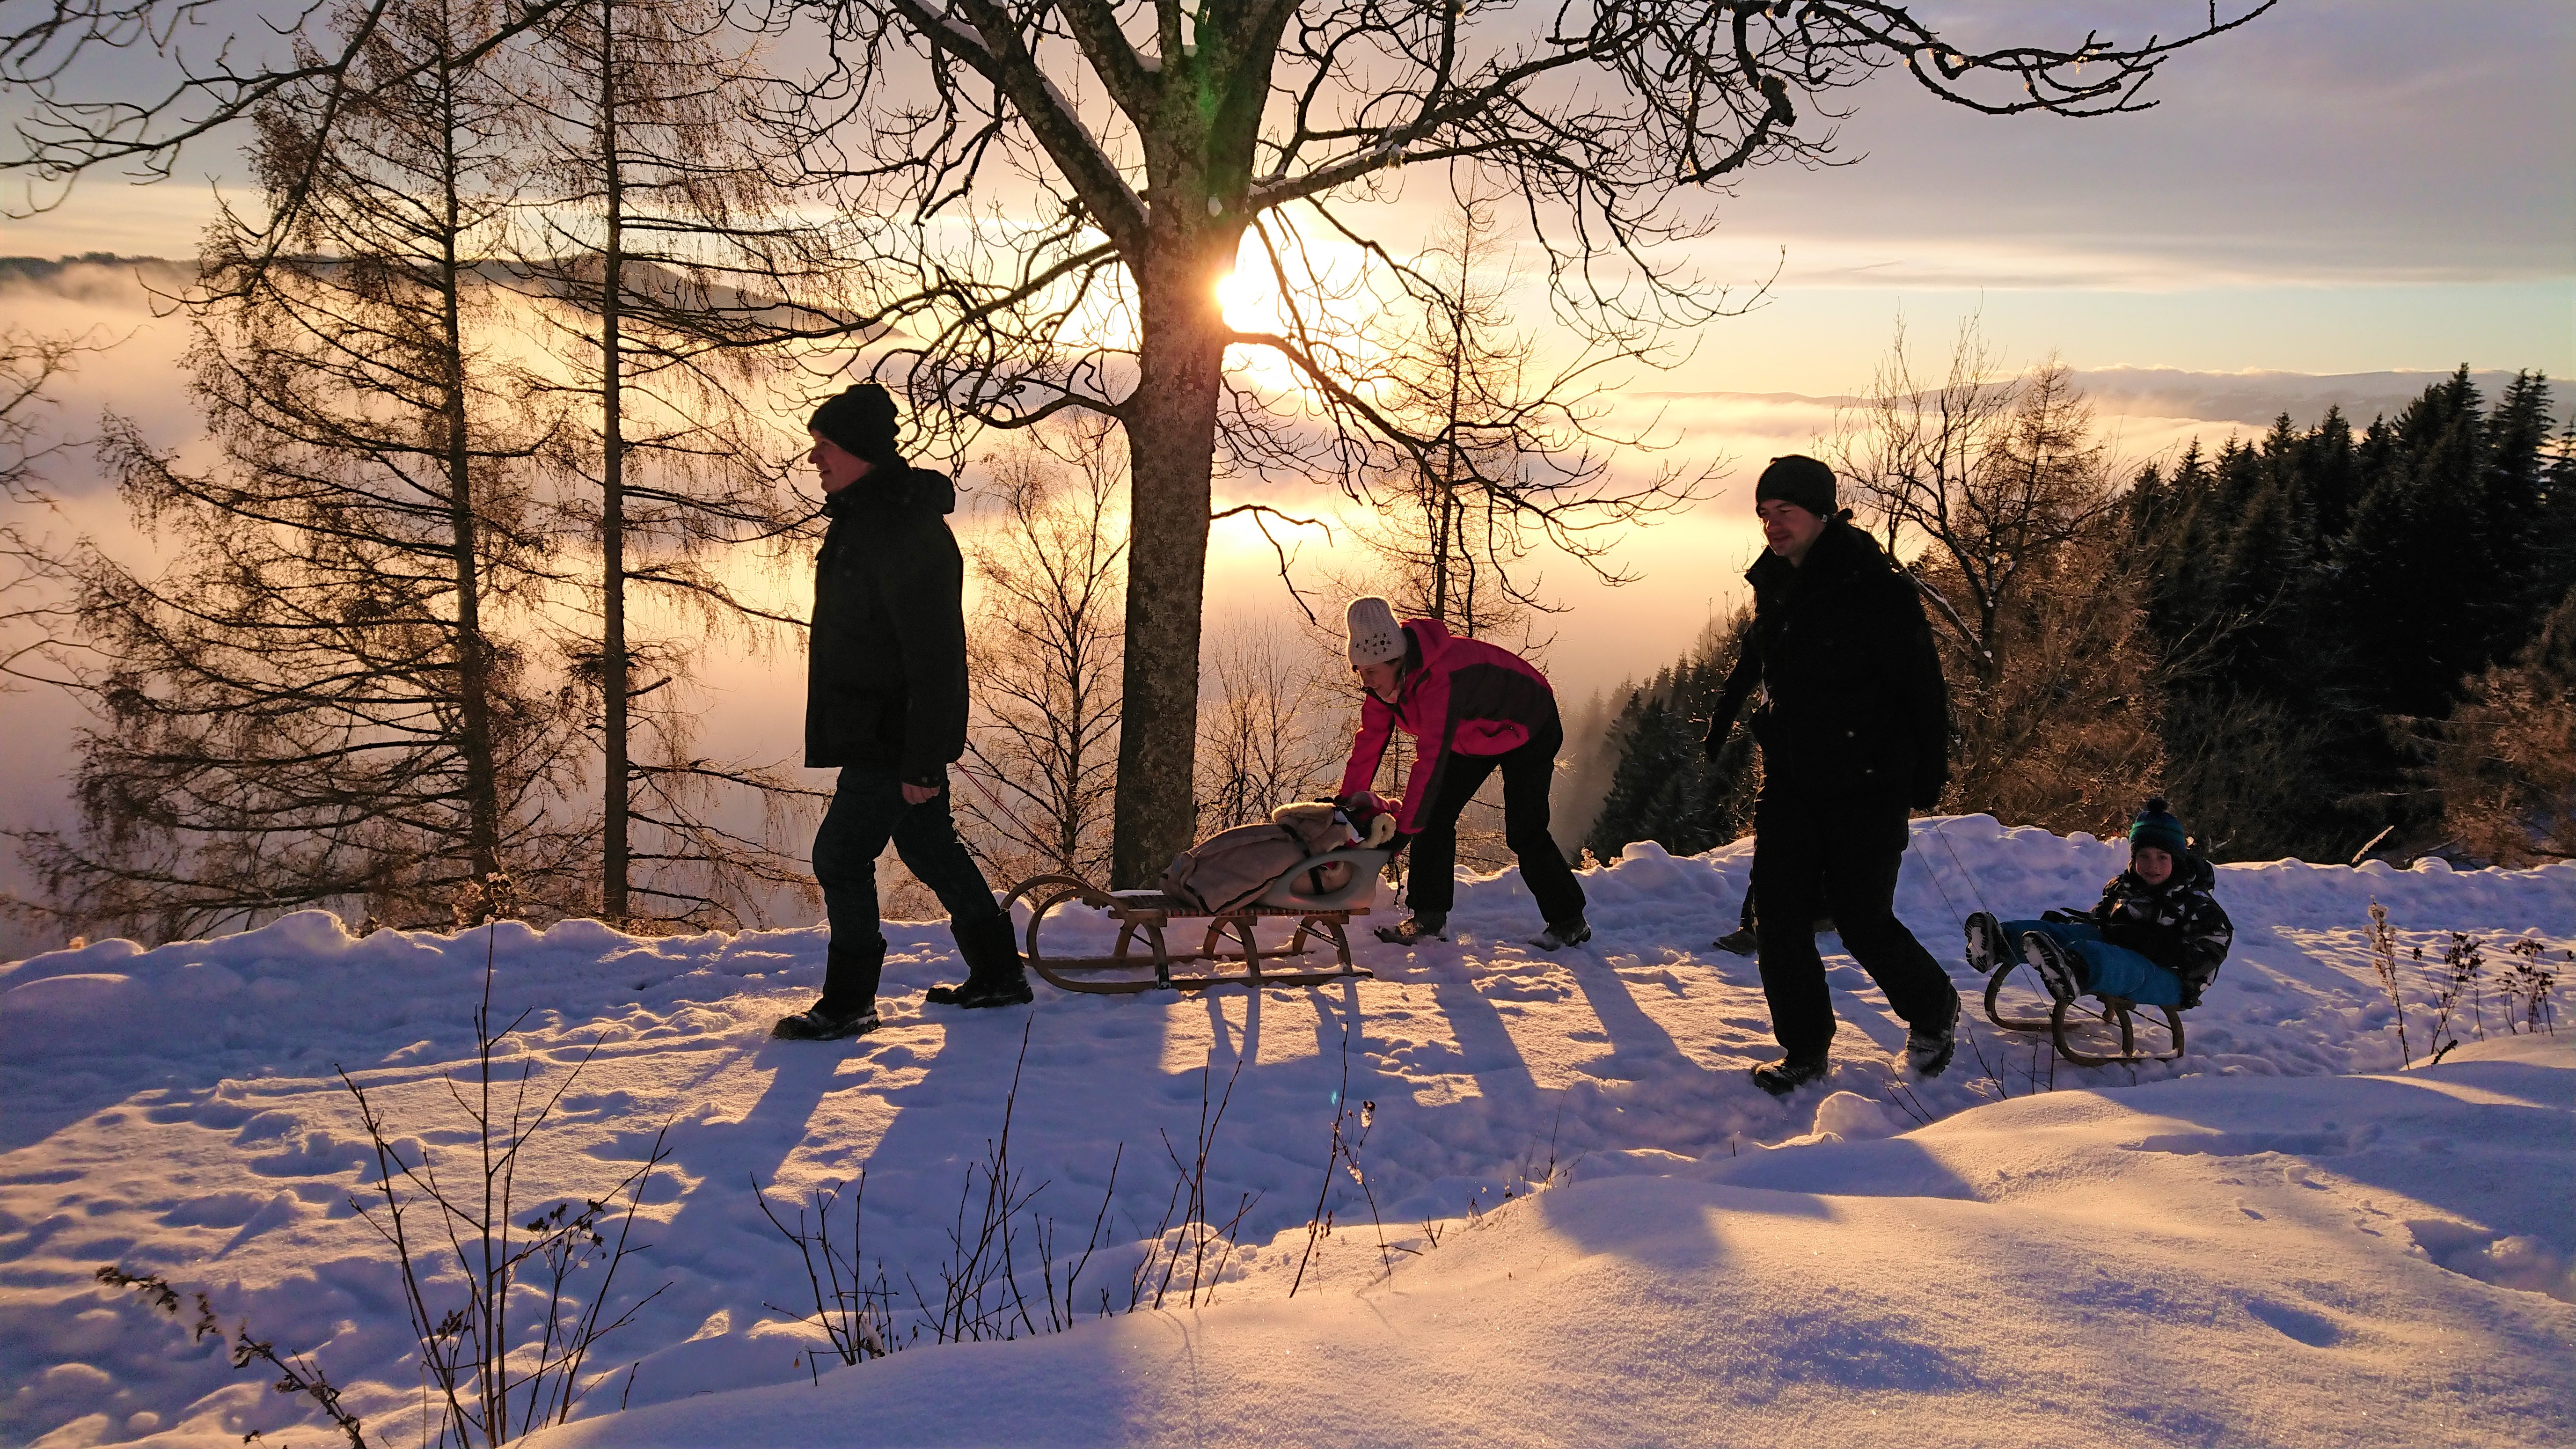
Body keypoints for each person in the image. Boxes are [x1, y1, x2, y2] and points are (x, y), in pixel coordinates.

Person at [773, 383, 1026, 1040]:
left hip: (892, 737)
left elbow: (936, 656)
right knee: (928, 846)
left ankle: (849, 1001)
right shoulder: (866, 519)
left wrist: (922, 759)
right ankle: (999, 975)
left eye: (824, 445)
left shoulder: (900, 529)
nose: (814, 458)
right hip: (881, 731)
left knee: (839, 858)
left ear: (859, 450)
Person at [1704, 455, 1961, 1095]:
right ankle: (1804, 1049)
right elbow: (1757, 653)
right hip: (1793, 774)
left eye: (1784, 512)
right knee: (1778, 916)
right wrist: (1724, 714)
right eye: (1764, 513)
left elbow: (1922, 686)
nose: (1772, 525)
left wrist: (1929, 770)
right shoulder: (1776, 582)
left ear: (1821, 513)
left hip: (1868, 778)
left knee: (1860, 917)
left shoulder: (1875, 588)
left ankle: (1933, 1009)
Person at [1335, 597, 1591, 951]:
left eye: (1371, 673)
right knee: (1433, 817)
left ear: (1395, 660)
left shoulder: (1441, 678)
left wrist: (1403, 832)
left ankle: (1569, 922)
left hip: (1529, 724)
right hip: (1473, 735)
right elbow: (1370, 741)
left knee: (1525, 830)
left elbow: (1430, 760)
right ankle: (1428, 920)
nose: (1365, 682)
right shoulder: (1383, 688)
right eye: (1360, 672)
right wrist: (1347, 805)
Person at [1964, 797, 2234, 1009]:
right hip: (2122, 953)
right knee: (2071, 934)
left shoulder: (2197, 904)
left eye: (2162, 857)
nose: (2152, 865)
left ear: (2177, 860)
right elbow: (2102, 922)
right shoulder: (2123, 887)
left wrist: (2151, 945)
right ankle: (2000, 943)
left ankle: (2075, 970)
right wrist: (2075, 925)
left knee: (2112, 959)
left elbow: (2209, 953)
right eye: (2144, 856)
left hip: (2171, 979)